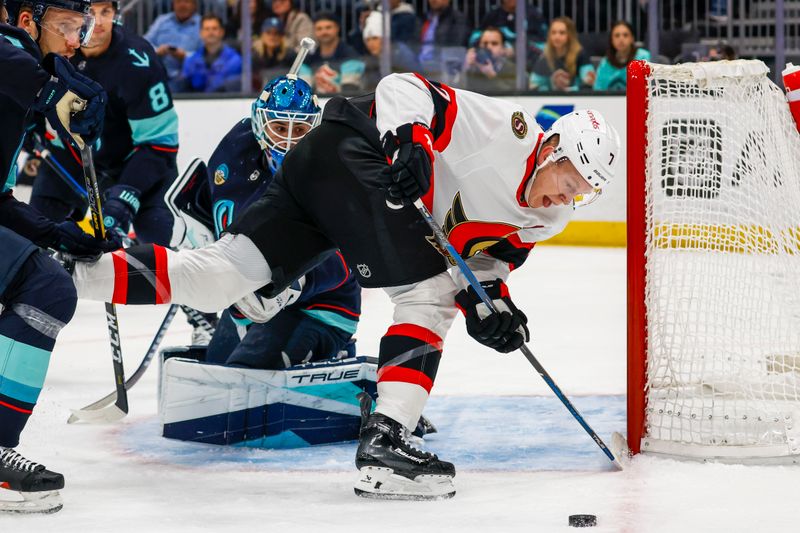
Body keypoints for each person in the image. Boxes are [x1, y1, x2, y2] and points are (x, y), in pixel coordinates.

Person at [72, 72, 620, 500]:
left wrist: (494, 307)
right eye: (569, 183)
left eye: (582, 196)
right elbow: (401, 87)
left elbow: (483, 267)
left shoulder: (546, 220)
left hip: (322, 175)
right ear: (552, 151)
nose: (565, 201)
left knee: (220, 275)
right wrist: (412, 145)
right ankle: (386, 441)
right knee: (426, 295)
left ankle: (67, 270)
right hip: (350, 151)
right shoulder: (506, 130)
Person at [0, 0, 118, 514]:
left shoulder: (22, 80)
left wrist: (59, 233)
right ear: (26, 22)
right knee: (46, 287)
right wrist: (53, 90)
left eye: (82, 28)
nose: (77, 40)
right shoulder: (12, 60)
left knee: (42, 278)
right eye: (68, 27)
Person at [175, 76, 361, 369]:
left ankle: (335, 348)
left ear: (314, 129)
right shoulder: (237, 152)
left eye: (299, 129)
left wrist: (295, 283)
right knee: (215, 374)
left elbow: (346, 257)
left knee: (244, 375)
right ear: (260, 125)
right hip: (249, 297)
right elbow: (221, 207)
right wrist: (197, 233)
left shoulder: (332, 172)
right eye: (279, 127)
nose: (288, 140)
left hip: (320, 307)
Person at [143, 0, 201, 91]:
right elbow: (144, 43)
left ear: (195, 5)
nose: (182, 5)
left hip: (186, 74)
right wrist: (157, 51)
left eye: (186, 2)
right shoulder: (161, 21)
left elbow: (206, 53)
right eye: (178, 2)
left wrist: (186, 56)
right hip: (158, 70)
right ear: (173, 4)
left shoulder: (203, 25)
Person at [302, 12, 363, 94]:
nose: (324, 32)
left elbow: (349, 91)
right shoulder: (308, 60)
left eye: (328, 27)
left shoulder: (350, 55)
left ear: (337, 28)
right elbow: (304, 91)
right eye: (319, 29)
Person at [180, 14, 242, 93]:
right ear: (201, 33)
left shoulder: (235, 60)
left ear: (222, 32)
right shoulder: (191, 60)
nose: (210, 32)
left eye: (214, 28)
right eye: (207, 29)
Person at [530, 16, 595, 91]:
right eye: (553, 33)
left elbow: (588, 83)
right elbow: (534, 85)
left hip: (576, 99)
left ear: (570, 35)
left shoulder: (580, 55)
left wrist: (569, 90)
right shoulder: (544, 57)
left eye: (562, 33)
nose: (557, 37)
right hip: (551, 100)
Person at [361, 9, 419, 90]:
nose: (371, 44)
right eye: (367, 40)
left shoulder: (401, 53)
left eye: (375, 38)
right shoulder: (371, 62)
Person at [593, 20, 650, 91]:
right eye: (617, 36)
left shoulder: (643, 57)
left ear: (632, 38)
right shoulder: (605, 62)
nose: (621, 39)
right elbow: (598, 90)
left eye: (625, 35)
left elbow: (648, 88)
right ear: (611, 40)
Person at [463, 26, 516, 92]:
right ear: (479, 46)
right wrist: (466, 67)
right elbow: (458, 92)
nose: (489, 47)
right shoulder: (473, 67)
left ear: (503, 48)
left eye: (494, 43)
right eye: (485, 43)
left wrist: (491, 75)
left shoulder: (513, 69)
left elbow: (514, 95)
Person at [251, 16, 295, 90]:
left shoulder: (290, 55)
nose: (272, 37)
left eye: (276, 33)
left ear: (282, 37)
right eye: (268, 33)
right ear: (262, 35)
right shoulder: (255, 56)